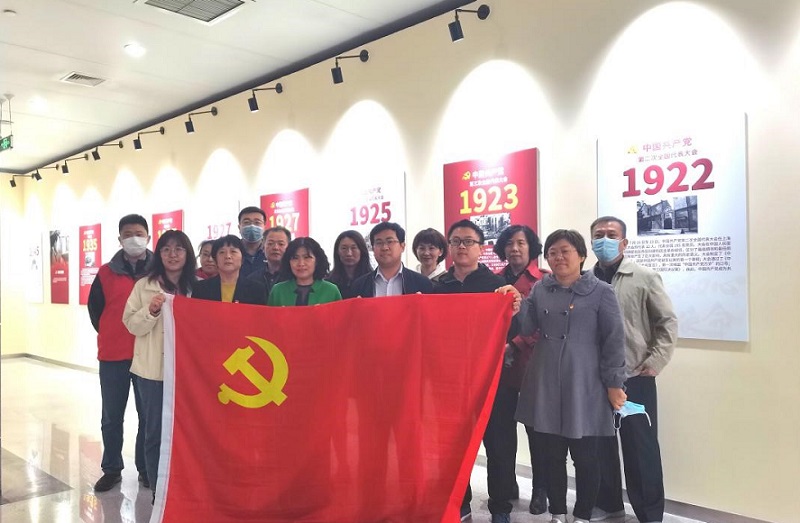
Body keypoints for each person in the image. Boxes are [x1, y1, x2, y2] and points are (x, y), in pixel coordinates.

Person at [511, 229, 627, 523]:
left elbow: (614, 340)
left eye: (565, 251)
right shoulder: (540, 288)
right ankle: (558, 513)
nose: (558, 257)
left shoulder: (601, 291)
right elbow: (527, 327)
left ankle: (583, 514)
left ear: (582, 256)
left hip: (584, 380)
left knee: (585, 456)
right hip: (545, 378)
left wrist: (614, 383)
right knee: (551, 454)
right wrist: (516, 304)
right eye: (552, 253)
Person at [589, 216, 678, 523]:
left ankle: (650, 514)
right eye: (598, 235)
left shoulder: (644, 277)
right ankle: (609, 504)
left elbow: (667, 322)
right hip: (596, 378)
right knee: (600, 445)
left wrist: (656, 362)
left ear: (624, 242)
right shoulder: (586, 280)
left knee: (641, 449)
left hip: (634, 376)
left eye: (611, 235)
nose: (604, 240)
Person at [433, 219, 513, 523]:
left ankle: (500, 508)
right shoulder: (437, 288)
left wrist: (513, 306)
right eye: (455, 241)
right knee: (454, 448)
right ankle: (461, 502)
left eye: (468, 241)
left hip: (493, 380)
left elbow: (515, 330)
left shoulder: (497, 287)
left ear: (481, 248)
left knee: (499, 447)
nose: (461, 247)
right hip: (450, 381)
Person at [123, 230, 196, 498]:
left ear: (187, 254)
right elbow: (131, 324)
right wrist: (151, 311)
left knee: (187, 433)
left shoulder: (197, 287)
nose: (172, 255)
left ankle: (183, 487)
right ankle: (158, 491)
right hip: (152, 373)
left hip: (189, 373)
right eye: (166, 249)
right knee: (154, 432)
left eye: (179, 249)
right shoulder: (144, 286)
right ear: (159, 254)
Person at [87, 214, 152, 492]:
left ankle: (146, 468)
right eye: (128, 234)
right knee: (112, 416)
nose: (133, 238)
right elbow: (96, 311)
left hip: (148, 354)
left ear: (148, 237)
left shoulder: (158, 271)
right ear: (119, 239)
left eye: (139, 233)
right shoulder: (105, 273)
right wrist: (112, 332)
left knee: (148, 415)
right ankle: (112, 468)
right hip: (113, 355)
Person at [492, 224, 548, 515]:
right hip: (499, 372)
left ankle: (540, 490)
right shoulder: (494, 279)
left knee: (536, 435)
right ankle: (507, 484)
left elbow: (544, 325)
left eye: (521, 243)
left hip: (531, 371)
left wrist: (514, 344)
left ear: (531, 247)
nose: (514, 249)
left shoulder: (544, 281)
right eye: (509, 243)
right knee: (502, 434)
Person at [351, 222, 433, 297]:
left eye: (390, 241)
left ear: (402, 246)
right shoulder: (359, 286)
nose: (384, 248)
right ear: (373, 248)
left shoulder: (421, 283)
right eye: (379, 243)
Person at [192, 235, 267, 304]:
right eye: (222, 252)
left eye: (233, 251)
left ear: (242, 259)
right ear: (215, 260)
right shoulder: (201, 288)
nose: (228, 256)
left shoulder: (256, 289)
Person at [268, 237, 341, 306]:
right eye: (295, 258)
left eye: (307, 257)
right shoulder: (278, 291)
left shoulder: (331, 290)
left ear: (317, 261)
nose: (301, 263)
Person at [326, 230, 372, 299]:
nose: (349, 253)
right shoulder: (328, 283)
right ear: (337, 251)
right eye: (344, 248)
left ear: (362, 251)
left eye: (354, 248)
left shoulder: (372, 281)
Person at [248, 226, 291, 299]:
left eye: (281, 244)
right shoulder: (252, 279)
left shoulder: (293, 277)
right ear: (263, 247)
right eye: (270, 243)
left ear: (289, 248)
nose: (275, 248)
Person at [237, 206, 267, 279]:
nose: (252, 226)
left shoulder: (270, 251)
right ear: (239, 227)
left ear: (264, 227)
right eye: (246, 222)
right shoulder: (233, 251)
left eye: (257, 222)